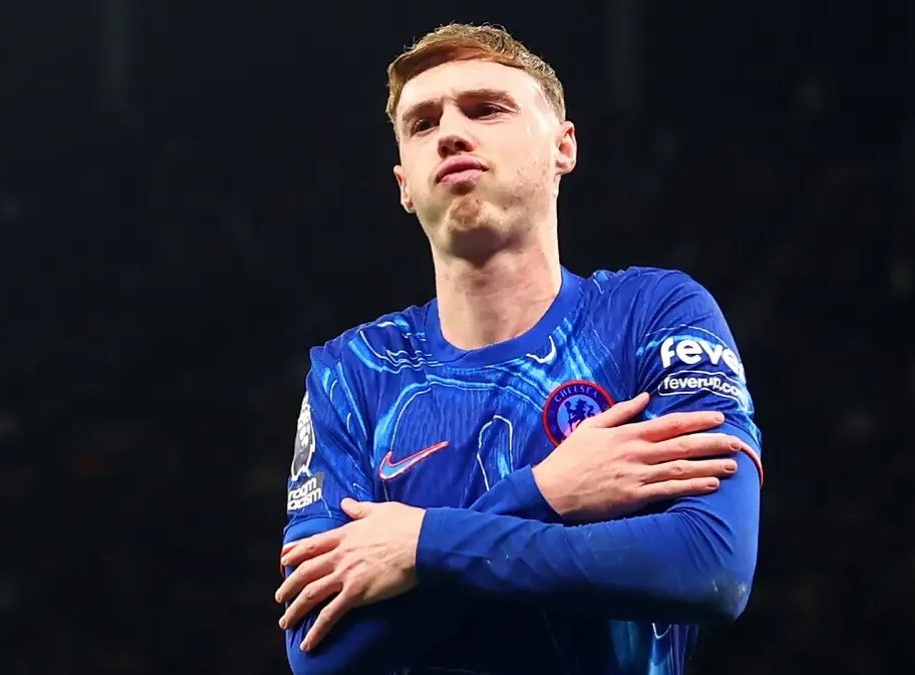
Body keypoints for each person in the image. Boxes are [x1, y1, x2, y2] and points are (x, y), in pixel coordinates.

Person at [274, 22, 764, 675]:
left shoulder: (652, 314)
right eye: (422, 123)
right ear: (403, 184)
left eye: (486, 109)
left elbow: (711, 563)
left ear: (564, 147)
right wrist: (546, 492)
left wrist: (421, 544)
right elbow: (320, 652)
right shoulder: (353, 372)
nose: (450, 133)